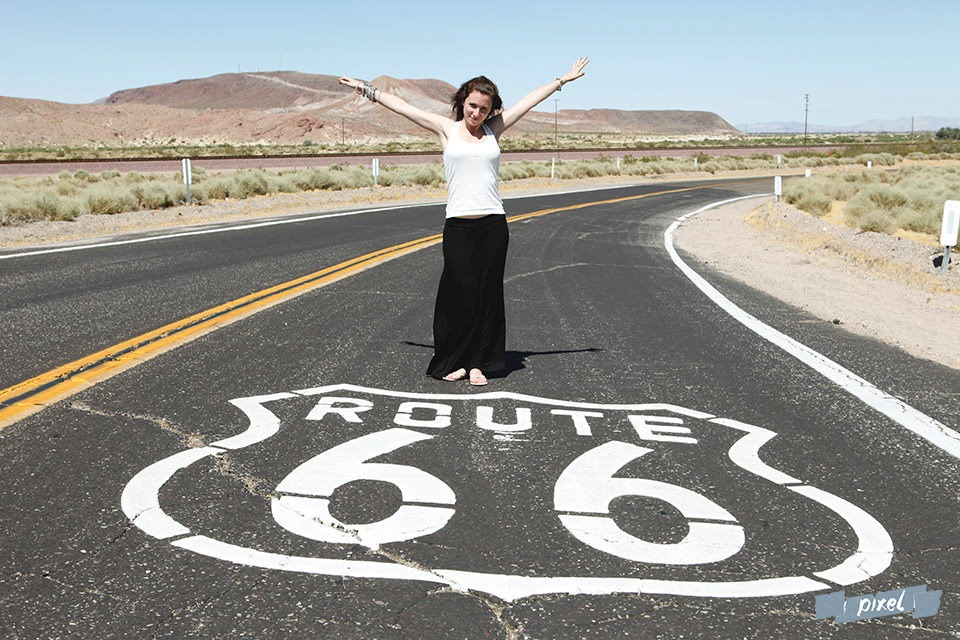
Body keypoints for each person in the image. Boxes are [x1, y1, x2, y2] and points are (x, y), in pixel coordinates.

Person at [339, 57, 588, 386]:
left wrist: (562, 80)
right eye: (472, 106)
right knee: (459, 293)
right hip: (458, 226)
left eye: (484, 109)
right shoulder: (446, 129)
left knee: (488, 294)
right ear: (462, 102)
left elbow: (529, 100)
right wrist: (366, 90)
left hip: (493, 225)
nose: (476, 114)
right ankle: (453, 359)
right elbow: (402, 106)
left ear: (490, 110)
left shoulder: (494, 129)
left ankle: (478, 364)